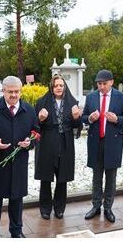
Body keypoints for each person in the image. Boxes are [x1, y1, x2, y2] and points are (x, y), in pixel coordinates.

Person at [0, 76, 38, 238]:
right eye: (10, 92)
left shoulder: (29, 110)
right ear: (3, 91)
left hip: (18, 164)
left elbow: (36, 133)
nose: (14, 95)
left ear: (21, 91)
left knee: (17, 201)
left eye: (17, 91)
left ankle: (16, 231)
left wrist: (29, 142)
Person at [82, 69, 123, 222]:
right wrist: (89, 118)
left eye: (104, 83)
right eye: (99, 84)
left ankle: (108, 208)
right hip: (95, 142)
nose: (101, 87)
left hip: (113, 142)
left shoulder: (120, 97)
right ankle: (96, 207)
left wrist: (117, 119)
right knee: (96, 177)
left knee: (110, 177)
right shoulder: (91, 97)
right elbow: (84, 117)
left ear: (111, 82)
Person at [34, 74, 83, 220]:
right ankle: (45, 209)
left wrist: (76, 118)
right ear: (51, 87)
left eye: (61, 85)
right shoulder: (41, 102)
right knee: (46, 178)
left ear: (64, 87)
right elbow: (35, 125)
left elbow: (77, 126)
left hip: (65, 143)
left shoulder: (72, 102)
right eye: (56, 85)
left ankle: (60, 208)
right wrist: (40, 119)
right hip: (47, 143)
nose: (59, 88)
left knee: (62, 178)